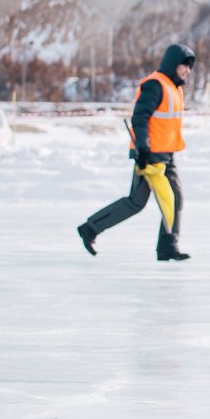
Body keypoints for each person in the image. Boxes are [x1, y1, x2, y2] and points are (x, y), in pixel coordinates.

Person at [77, 43, 196, 261]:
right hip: (149, 155)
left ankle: (168, 247)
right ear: (173, 64)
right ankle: (90, 228)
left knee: (176, 199)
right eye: (184, 66)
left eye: (190, 67)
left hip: (166, 155)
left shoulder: (174, 88)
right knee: (136, 202)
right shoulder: (155, 85)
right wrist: (142, 149)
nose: (187, 71)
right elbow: (140, 119)